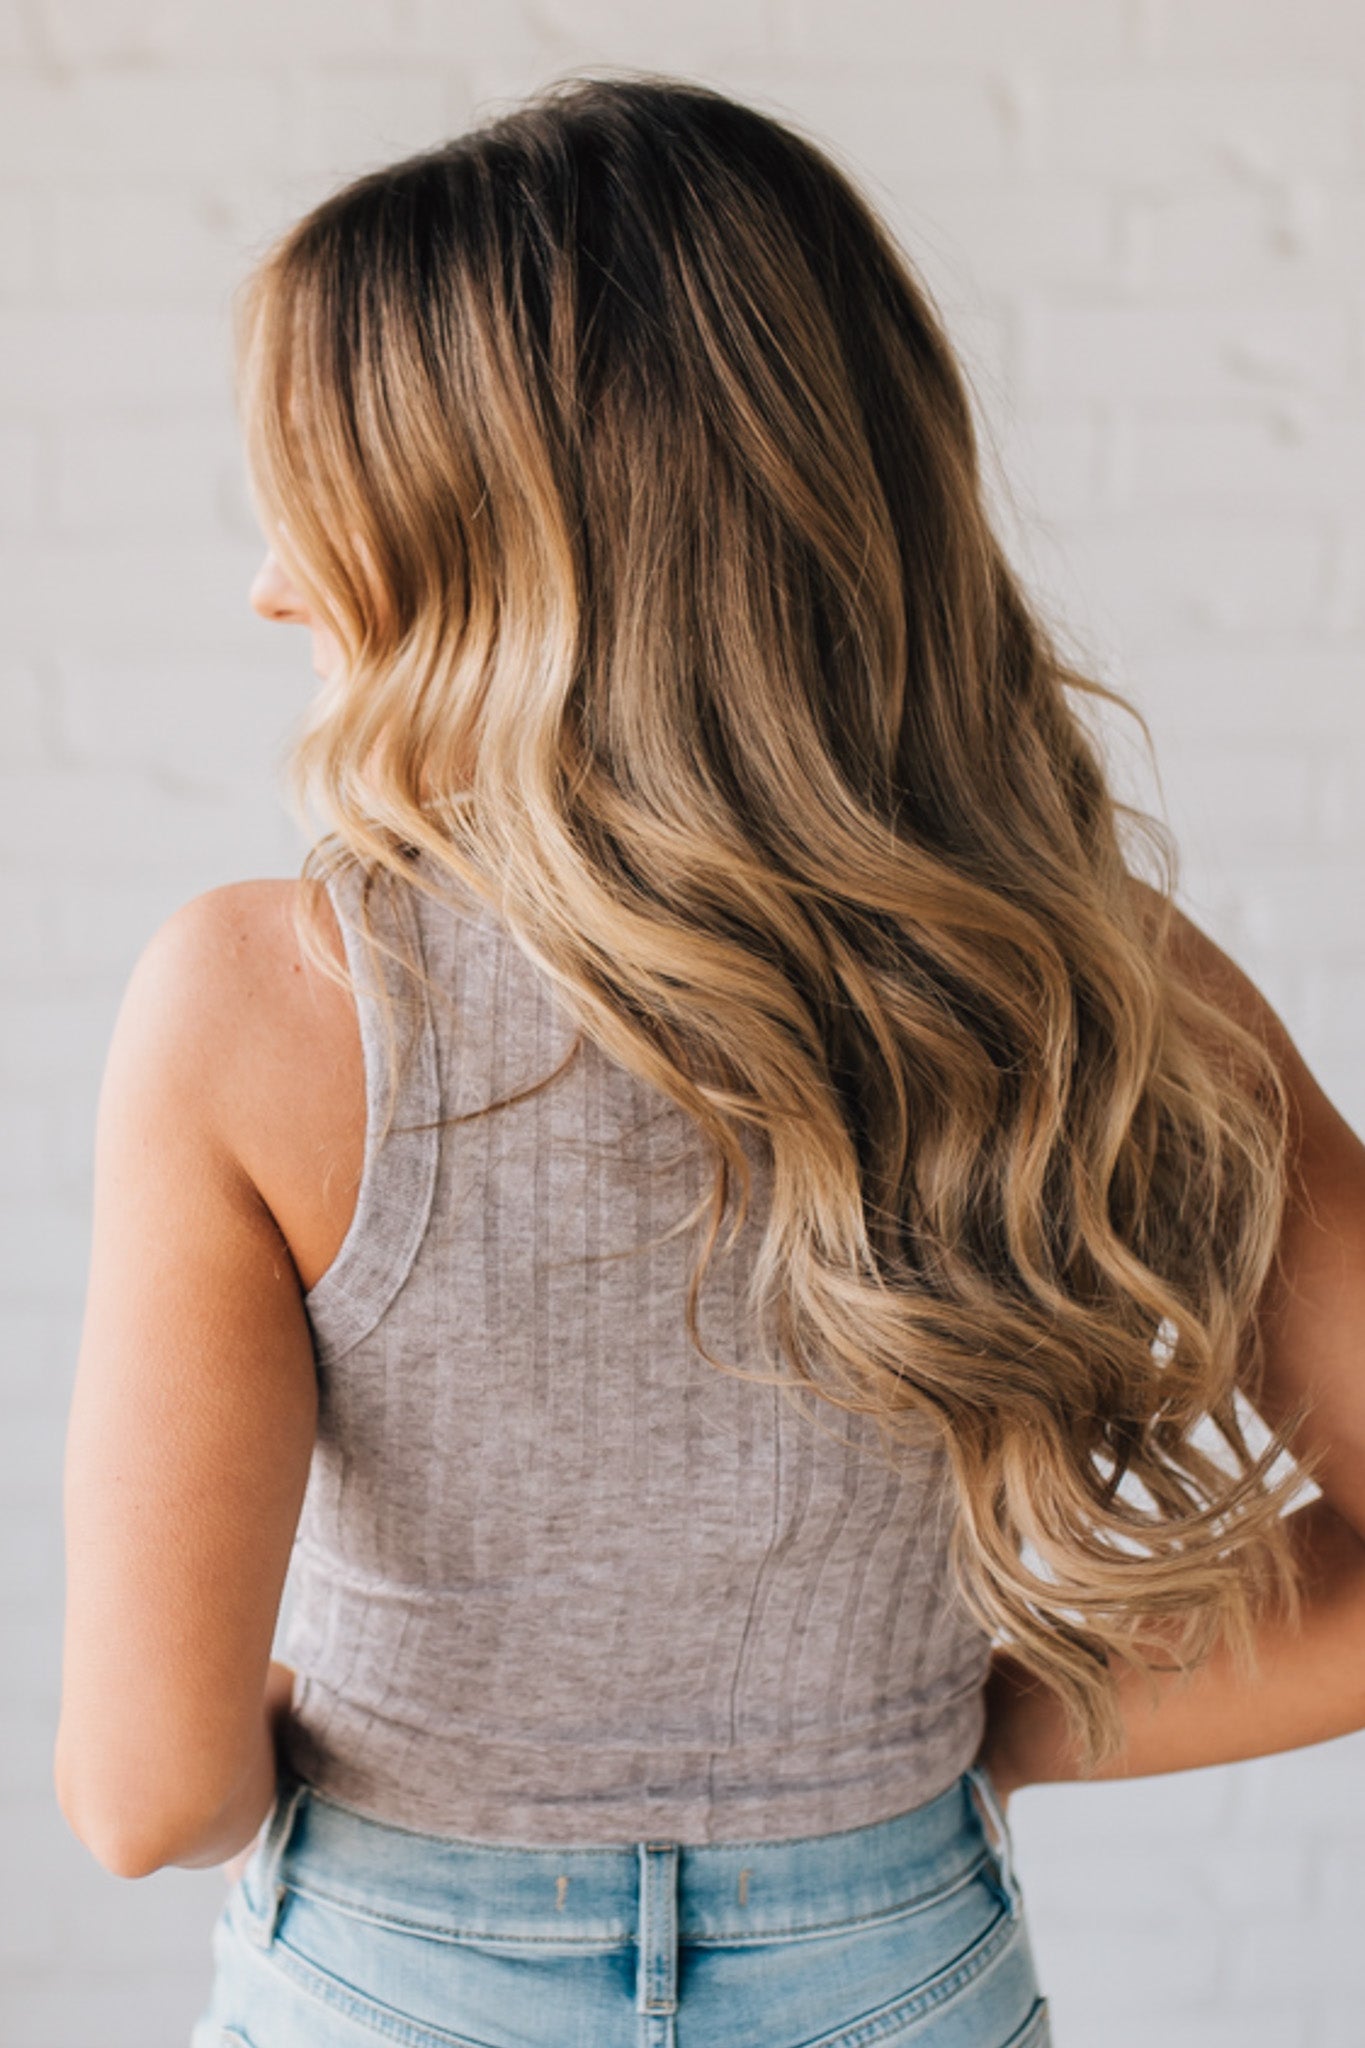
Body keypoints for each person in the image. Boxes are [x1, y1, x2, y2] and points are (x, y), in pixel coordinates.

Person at [53, 73, 1365, 2048]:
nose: (267, 579)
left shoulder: (260, 1002)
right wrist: (966, 1722)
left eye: (326, 499)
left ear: (512, 549)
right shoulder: (1096, 980)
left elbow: (150, 1795)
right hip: (898, 1954)